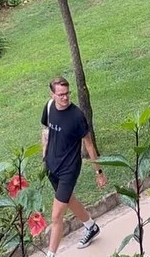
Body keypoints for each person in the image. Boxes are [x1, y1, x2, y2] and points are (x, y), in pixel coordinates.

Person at [42, 77, 107, 254]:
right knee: (68, 199)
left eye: (67, 93)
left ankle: (51, 254)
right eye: (61, 94)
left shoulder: (77, 116)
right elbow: (46, 130)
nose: (65, 97)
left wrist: (99, 172)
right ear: (52, 94)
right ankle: (91, 226)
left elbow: (89, 145)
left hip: (68, 170)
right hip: (51, 166)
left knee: (56, 216)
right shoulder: (49, 107)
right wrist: (44, 154)